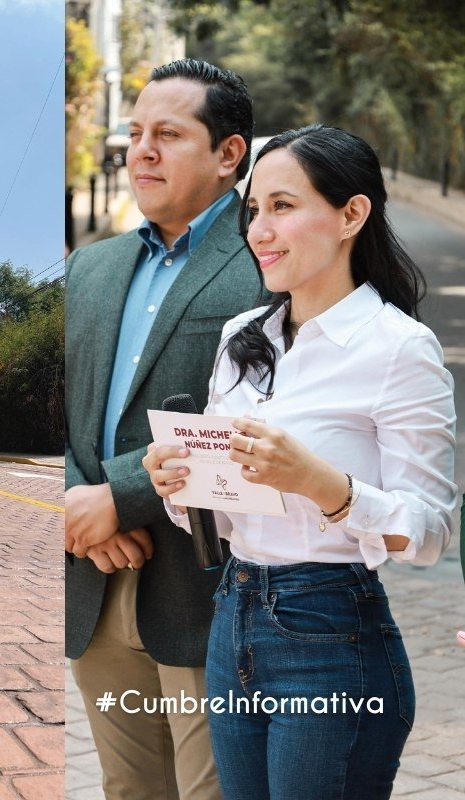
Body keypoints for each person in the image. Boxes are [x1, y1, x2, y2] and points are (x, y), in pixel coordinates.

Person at [142, 124, 457, 799]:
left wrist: (322, 484)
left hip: (331, 633)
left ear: (351, 214)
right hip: (234, 620)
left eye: (283, 206)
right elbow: (223, 512)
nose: (259, 228)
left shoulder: (401, 349)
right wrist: (179, 483)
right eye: (253, 210)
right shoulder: (240, 339)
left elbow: (430, 535)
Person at [64, 58, 269, 800]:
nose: (140, 151)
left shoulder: (268, 262)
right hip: (93, 580)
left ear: (228, 154)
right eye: (135, 133)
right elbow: (57, 412)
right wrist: (73, 504)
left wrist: (118, 496)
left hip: (213, 590)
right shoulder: (91, 268)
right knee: (129, 789)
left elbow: (260, 425)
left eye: (169, 134)